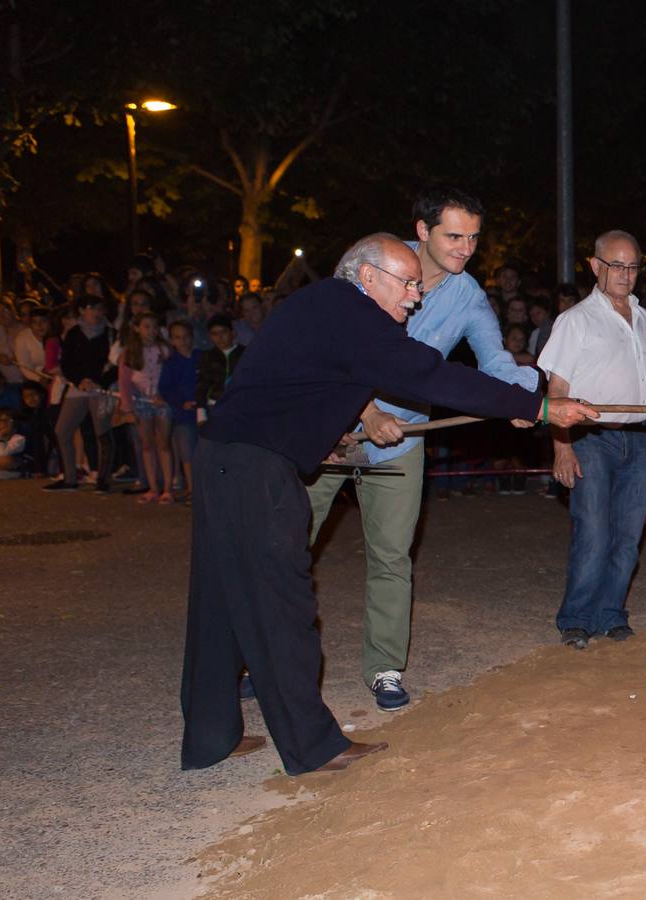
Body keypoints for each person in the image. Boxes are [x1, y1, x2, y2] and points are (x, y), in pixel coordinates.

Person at [181, 232, 595, 776]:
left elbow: (295, 383)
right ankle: (313, 747)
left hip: (222, 459)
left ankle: (209, 737)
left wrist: (319, 436)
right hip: (255, 471)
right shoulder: (355, 314)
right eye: (406, 284)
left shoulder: (320, 307)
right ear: (368, 276)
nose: (414, 298)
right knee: (284, 604)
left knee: (219, 601)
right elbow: (431, 374)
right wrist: (538, 407)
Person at [306, 188, 542, 711]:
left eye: (474, 238)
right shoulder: (373, 270)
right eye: (453, 236)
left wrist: (526, 397)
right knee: (288, 543)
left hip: (404, 440)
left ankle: (384, 667)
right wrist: (365, 412)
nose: (465, 248)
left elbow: (495, 360)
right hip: (331, 431)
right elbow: (333, 351)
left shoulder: (468, 295)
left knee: (392, 557)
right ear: (422, 230)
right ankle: (263, 654)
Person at [540, 229, 646, 650]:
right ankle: (577, 618)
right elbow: (557, 388)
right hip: (591, 438)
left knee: (628, 534)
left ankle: (611, 613)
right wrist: (561, 446)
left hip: (638, 440)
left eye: (633, 266)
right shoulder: (575, 320)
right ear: (596, 266)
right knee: (594, 531)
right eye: (616, 265)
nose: (626, 274)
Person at [46, 297, 119, 493]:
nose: (96, 311)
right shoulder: (74, 334)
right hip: (79, 386)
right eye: (90, 307)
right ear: (81, 310)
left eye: (99, 307)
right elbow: (67, 363)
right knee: (62, 430)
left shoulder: (112, 333)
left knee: (102, 432)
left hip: (101, 388)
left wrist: (98, 382)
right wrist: (80, 381)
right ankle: (70, 478)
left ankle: (103, 480)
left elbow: (117, 364)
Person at [119, 312, 174, 503]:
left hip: (161, 401)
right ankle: (153, 487)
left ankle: (167, 488)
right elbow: (124, 382)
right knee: (147, 444)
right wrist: (127, 408)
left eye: (154, 327)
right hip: (142, 402)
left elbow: (171, 376)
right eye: (146, 326)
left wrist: (165, 394)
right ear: (137, 328)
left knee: (164, 443)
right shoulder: (129, 352)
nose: (151, 331)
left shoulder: (164, 349)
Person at [158, 321, 200, 498]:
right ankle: (192, 489)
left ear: (192, 337)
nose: (182, 341)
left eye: (185, 337)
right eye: (177, 337)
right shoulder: (171, 363)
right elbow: (165, 389)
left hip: (204, 411)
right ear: (172, 340)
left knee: (204, 452)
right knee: (187, 453)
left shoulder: (201, 357)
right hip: (183, 414)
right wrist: (181, 402)